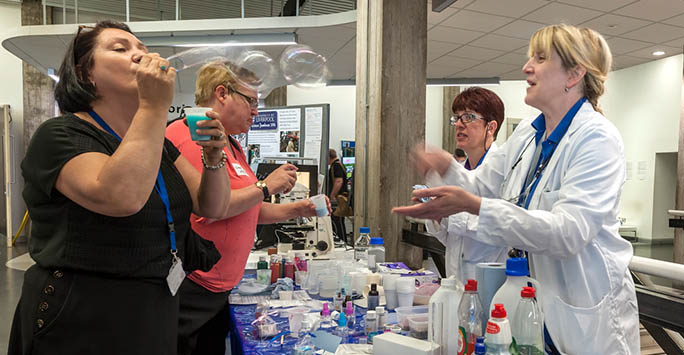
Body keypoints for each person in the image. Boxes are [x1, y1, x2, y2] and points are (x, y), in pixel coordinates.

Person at [394, 24, 639, 354]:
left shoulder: (597, 139)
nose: (526, 67)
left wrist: (473, 205)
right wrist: (445, 167)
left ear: (574, 74)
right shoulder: (527, 133)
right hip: (530, 310)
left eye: (539, 58)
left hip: (582, 320)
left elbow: (568, 233)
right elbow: (479, 186)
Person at [9, 21, 231, 355]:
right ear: (86, 74)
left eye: (142, 49)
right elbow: (122, 198)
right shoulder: (58, 135)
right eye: (121, 48)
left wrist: (215, 156)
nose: (140, 56)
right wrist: (154, 106)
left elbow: (211, 206)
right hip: (81, 314)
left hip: (154, 306)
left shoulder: (157, 144)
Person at [166, 61, 330, 355]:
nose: (256, 111)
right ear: (221, 93)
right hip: (195, 285)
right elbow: (215, 207)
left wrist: (298, 210)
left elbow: (250, 209)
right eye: (251, 101)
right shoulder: (193, 134)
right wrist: (266, 186)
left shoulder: (231, 144)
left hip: (218, 286)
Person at [424, 87, 508, 281]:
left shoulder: (503, 171)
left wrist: (449, 216)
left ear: (491, 127)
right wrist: (434, 216)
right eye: (457, 117)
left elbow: (503, 227)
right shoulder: (460, 171)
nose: (459, 124)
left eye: (469, 117)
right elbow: (452, 240)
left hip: (490, 283)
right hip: (456, 280)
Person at [328, 148, 348, 241]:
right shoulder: (340, 164)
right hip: (339, 198)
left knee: (337, 222)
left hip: (338, 199)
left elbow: (339, 181)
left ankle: (341, 240)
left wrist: (332, 195)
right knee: (339, 221)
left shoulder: (336, 166)